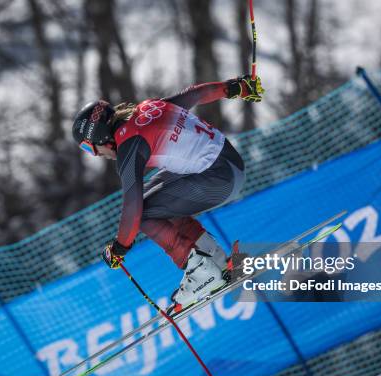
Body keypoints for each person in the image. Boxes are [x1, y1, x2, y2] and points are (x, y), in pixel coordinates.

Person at [72, 75, 264, 315]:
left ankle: (202, 272)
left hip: (221, 177)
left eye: (90, 148)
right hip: (227, 162)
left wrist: (120, 247)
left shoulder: (129, 146)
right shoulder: (147, 108)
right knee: (153, 198)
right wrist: (236, 87)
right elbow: (195, 94)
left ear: (100, 137)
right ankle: (212, 260)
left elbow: (133, 207)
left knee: (142, 214)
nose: (97, 155)